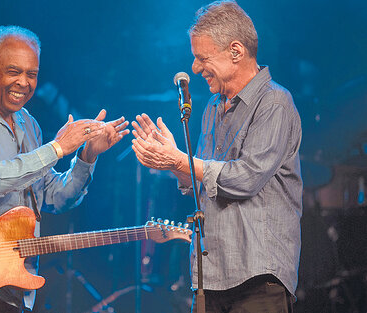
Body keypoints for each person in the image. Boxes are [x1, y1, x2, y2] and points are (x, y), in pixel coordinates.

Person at [0, 25, 129, 313]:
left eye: (31, 74)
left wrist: (87, 156)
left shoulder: (28, 123)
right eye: (13, 71)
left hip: (14, 283)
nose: (24, 82)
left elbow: (54, 198)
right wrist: (57, 148)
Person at [131, 1, 302, 312]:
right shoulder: (212, 107)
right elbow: (205, 186)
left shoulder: (275, 102)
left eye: (202, 58)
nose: (195, 68)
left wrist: (179, 160)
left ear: (235, 51)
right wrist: (173, 163)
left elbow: (246, 179)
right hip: (210, 275)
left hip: (257, 276)